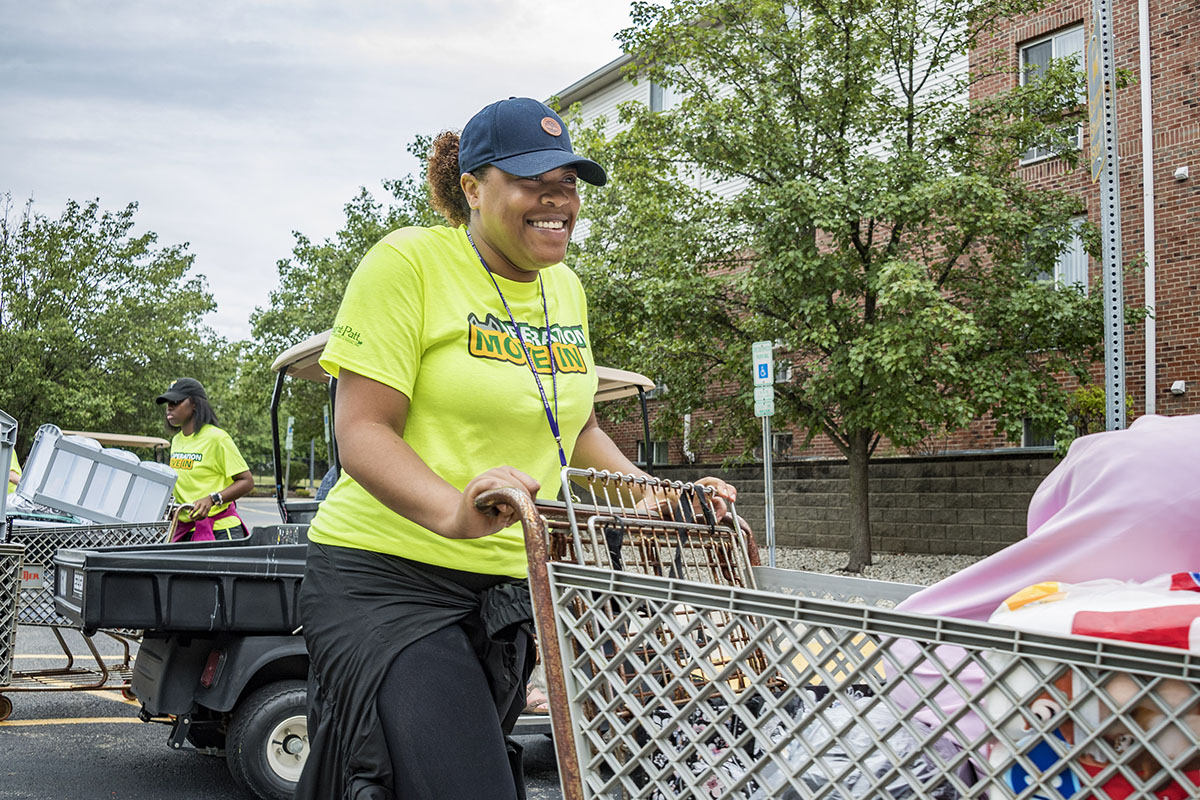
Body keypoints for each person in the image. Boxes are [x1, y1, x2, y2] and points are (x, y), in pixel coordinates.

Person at [296, 97, 737, 800]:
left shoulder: (565, 291)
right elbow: (363, 433)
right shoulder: (408, 263)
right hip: (386, 578)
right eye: (533, 179)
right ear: (472, 188)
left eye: (568, 181)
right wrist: (450, 510)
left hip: (509, 587)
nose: (557, 198)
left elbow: (577, 426)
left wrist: (658, 494)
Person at [156, 377, 254, 541]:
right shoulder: (177, 441)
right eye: (167, 403)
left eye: (176, 401)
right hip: (186, 530)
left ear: (194, 404)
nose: (169, 407)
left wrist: (212, 499)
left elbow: (247, 481)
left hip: (220, 531)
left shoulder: (217, 438)